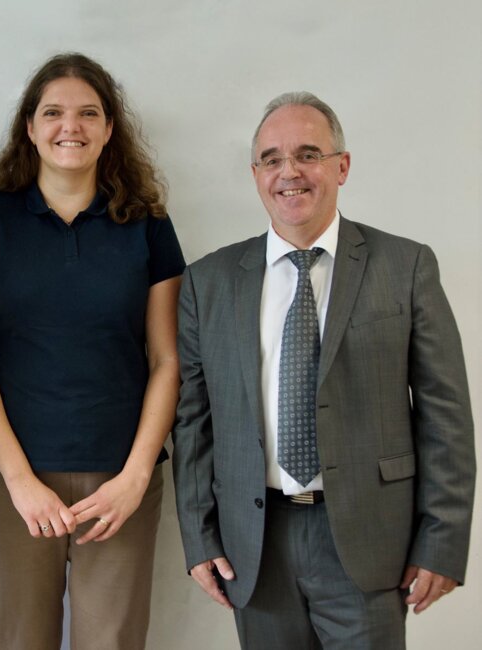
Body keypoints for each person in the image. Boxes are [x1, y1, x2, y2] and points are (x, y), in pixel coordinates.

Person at [173, 91, 475, 649]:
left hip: (369, 541)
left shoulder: (404, 267)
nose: (289, 172)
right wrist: (199, 534)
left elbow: (446, 416)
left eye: (308, 154)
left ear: (342, 166)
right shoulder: (208, 282)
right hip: (254, 544)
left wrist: (442, 542)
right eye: (271, 158)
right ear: (255, 173)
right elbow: (192, 421)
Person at [0, 53, 184, 650]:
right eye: (53, 112)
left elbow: (167, 361)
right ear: (29, 126)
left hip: (121, 480)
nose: (70, 126)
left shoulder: (148, 225)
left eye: (88, 113)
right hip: (12, 479)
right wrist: (20, 479)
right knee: (23, 640)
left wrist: (136, 476)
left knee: (112, 642)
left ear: (110, 128)